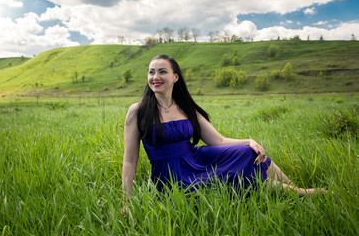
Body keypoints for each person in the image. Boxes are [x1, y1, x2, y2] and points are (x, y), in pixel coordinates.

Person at [122, 55, 326, 209]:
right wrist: (126, 201)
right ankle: (302, 194)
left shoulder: (186, 108)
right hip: (171, 175)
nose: (155, 77)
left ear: (175, 77)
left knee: (248, 153)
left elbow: (217, 140)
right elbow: (130, 160)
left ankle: (296, 190)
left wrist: (249, 141)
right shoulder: (138, 111)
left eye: (162, 72)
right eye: (151, 72)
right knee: (240, 178)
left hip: (197, 158)